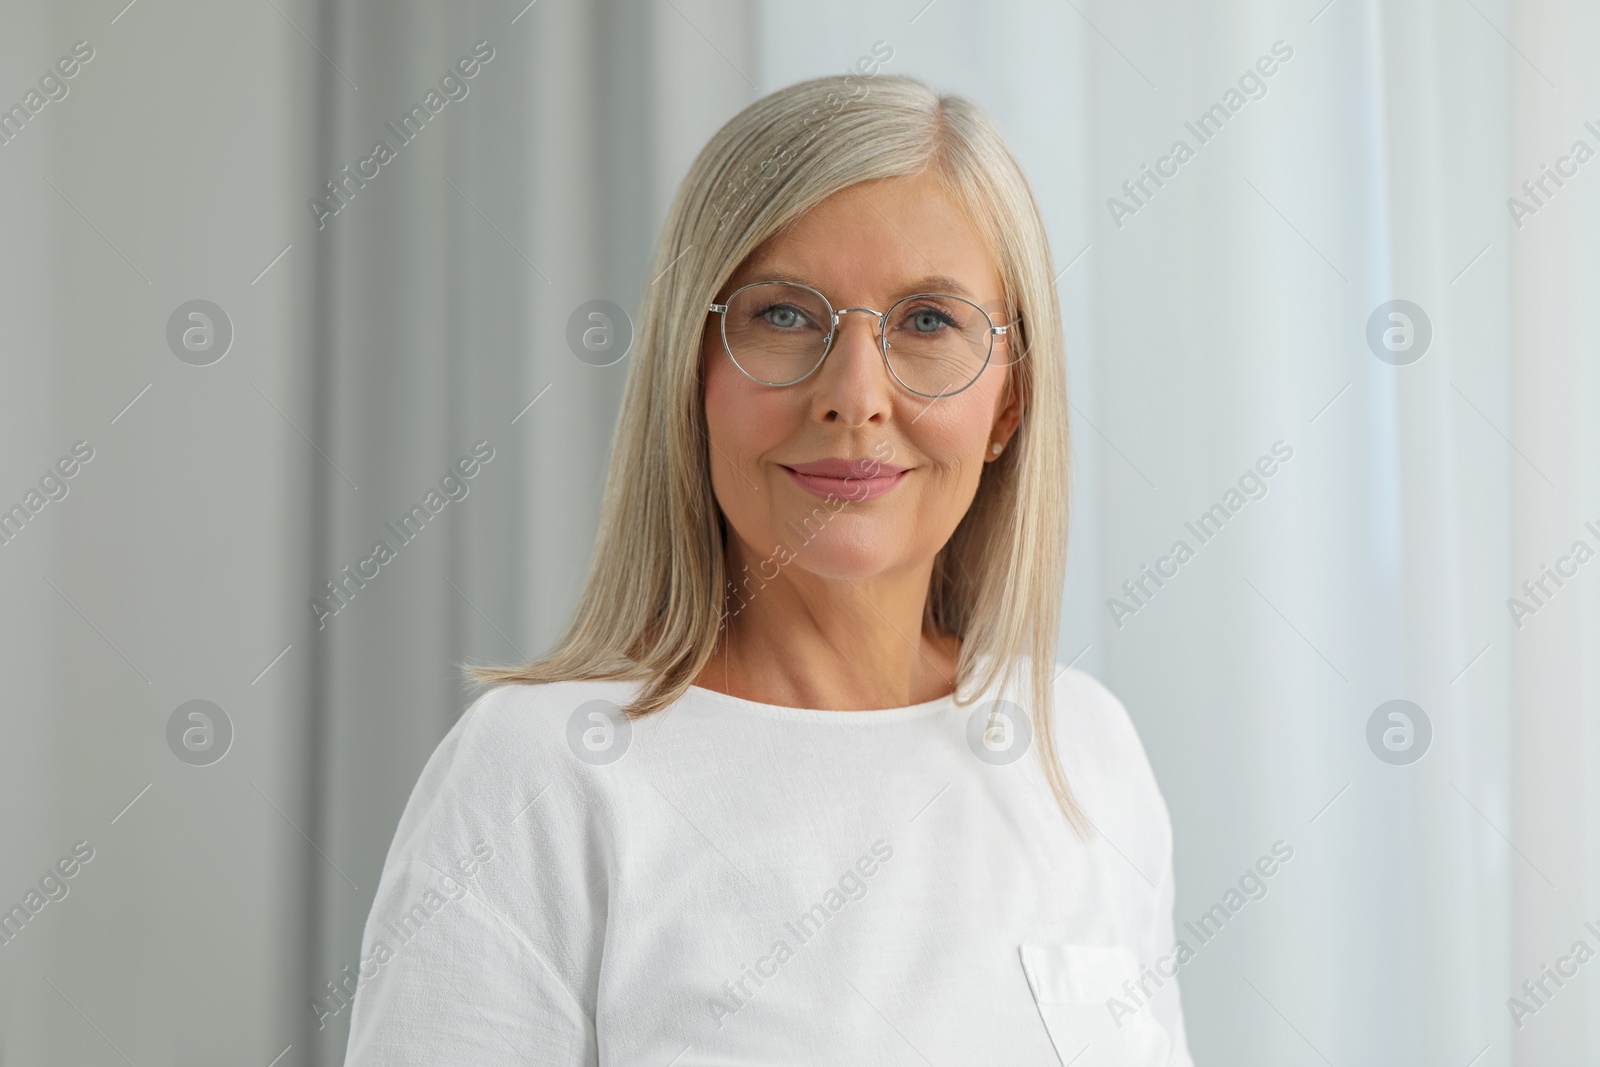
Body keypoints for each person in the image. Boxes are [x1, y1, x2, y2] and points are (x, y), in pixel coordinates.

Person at [342, 73, 1194, 1066]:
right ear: (689, 371)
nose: (854, 395)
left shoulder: (1084, 750)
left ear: (1007, 405)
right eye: (784, 315)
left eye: (927, 322)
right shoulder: (539, 775)